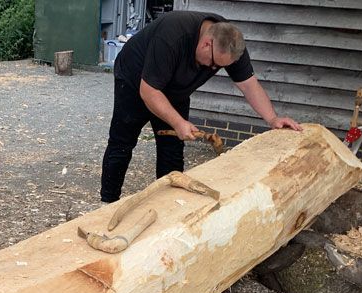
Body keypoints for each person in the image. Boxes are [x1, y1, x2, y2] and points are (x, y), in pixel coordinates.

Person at [100, 11, 302, 203]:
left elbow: (249, 85)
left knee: (172, 148)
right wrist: (178, 122)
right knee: (122, 142)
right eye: (214, 64)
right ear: (206, 44)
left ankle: (168, 205)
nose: (213, 69)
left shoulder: (229, 43)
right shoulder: (172, 36)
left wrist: (273, 118)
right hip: (136, 81)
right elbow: (149, 91)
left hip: (175, 88)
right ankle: (108, 202)